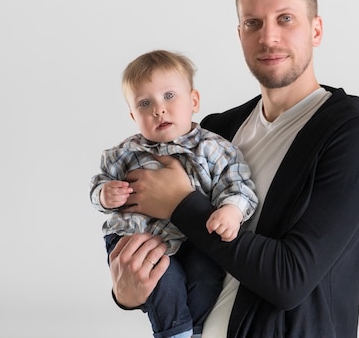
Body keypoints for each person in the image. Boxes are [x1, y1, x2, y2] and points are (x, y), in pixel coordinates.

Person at [107, 0, 359, 338]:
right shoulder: (216, 132)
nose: (268, 37)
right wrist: (128, 292)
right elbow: (174, 249)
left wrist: (181, 204)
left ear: (316, 30)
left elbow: (290, 279)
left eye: (285, 19)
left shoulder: (349, 135)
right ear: (240, 35)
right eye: (253, 23)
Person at [90, 49, 258, 338]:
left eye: (169, 96)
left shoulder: (215, 148)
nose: (159, 109)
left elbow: (239, 185)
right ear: (133, 115)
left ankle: (195, 330)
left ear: (194, 100)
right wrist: (105, 194)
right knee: (163, 281)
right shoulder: (124, 153)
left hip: (196, 240)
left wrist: (232, 210)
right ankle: (174, 333)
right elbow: (98, 184)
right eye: (145, 103)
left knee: (205, 277)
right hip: (138, 238)